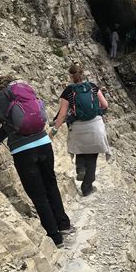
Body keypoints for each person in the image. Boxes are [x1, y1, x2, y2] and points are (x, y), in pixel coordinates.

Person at [0, 74, 73, 248]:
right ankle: (64, 225)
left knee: (38, 194)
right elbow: (5, 130)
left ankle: (55, 238)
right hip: (44, 144)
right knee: (51, 185)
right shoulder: (27, 93)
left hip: (24, 151)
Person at [50, 64, 111, 196]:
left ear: (71, 76)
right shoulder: (93, 87)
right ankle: (87, 188)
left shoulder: (68, 91)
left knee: (80, 149)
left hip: (78, 127)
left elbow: (62, 115)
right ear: (83, 74)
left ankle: (80, 168)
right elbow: (105, 105)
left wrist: (53, 132)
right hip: (95, 126)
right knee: (92, 156)